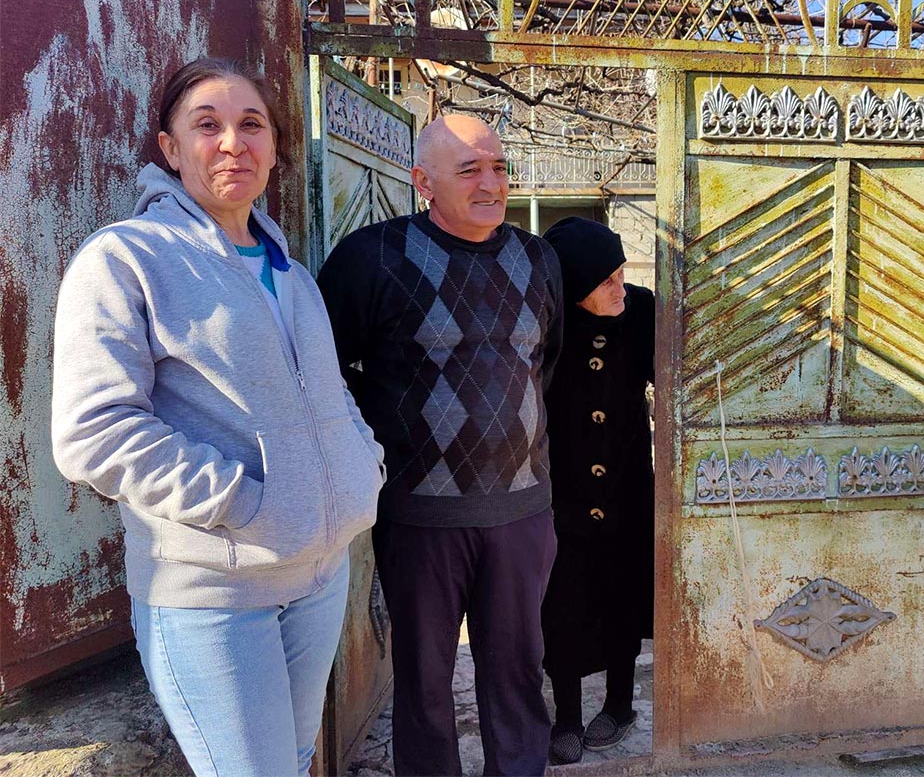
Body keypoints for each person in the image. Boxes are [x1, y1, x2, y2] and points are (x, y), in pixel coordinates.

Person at [50, 57, 384, 777]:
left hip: (319, 580)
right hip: (213, 594)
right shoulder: (124, 259)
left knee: (290, 763)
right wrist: (241, 501)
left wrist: (365, 465)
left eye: (251, 124)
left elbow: (330, 393)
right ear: (170, 150)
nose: (232, 142)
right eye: (207, 125)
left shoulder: (291, 275)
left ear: (273, 148)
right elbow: (93, 432)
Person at [317, 114, 564, 776]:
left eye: (499, 168)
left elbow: (544, 366)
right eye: (470, 170)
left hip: (520, 514)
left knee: (517, 673)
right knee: (424, 682)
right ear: (423, 181)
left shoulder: (538, 259)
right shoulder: (371, 260)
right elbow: (323, 375)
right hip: (419, 519)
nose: (491, 183)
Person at [539, 217, 655, 764]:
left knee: (623, 595)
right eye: (606, 280)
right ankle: (564, 716)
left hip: (628, 486)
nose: (620, 288)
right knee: (562, 602)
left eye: (622, 273)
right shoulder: (545, 327)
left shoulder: (644, 312)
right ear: (574, 285)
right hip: (561, 492)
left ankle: (619, 704)